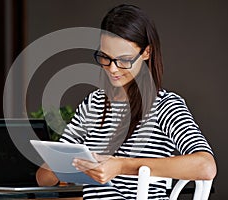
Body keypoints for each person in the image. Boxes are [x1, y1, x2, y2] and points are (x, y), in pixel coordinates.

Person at [36, 4, 217, 200]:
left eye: (124, 60)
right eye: (105, 57)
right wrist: (62, 165)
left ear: (147, 53)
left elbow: (205, 166)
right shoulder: (93, 104)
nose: (113, 69)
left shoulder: (165, 105)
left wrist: (120, 166)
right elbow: (43, 179)